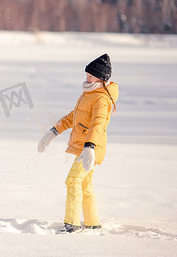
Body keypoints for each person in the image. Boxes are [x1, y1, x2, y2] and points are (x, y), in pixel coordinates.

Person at [37, 54, 119, 233]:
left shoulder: (102, 99)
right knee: (85, 185)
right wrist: (52, 132)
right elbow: (73, 117)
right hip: (85, 147)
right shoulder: (88, 93)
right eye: (87, 75)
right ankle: (92, 222)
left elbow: (98, 125)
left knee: (72, 180)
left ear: (102, 78)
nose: (87, 78)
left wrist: (90, 148)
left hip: (90, 148)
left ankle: (71, 223)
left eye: (91, 75)